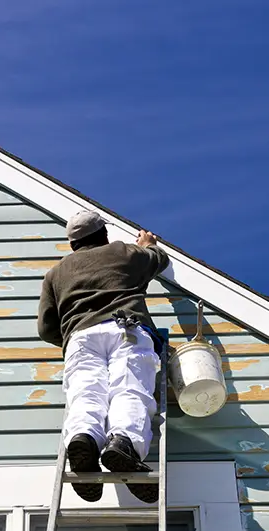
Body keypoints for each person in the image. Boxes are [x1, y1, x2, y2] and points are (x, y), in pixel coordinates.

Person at [37, 210, 169, 503]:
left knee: (86, 393)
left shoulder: (55, 274)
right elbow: (158, 260)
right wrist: (148, 244)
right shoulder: (123, 252)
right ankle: (124, 443)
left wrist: (72, 332)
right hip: (126, 329)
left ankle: (83, 438)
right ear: (104, 234)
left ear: (73, 243)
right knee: (130, 388)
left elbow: (46, 329)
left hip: (80, 338)